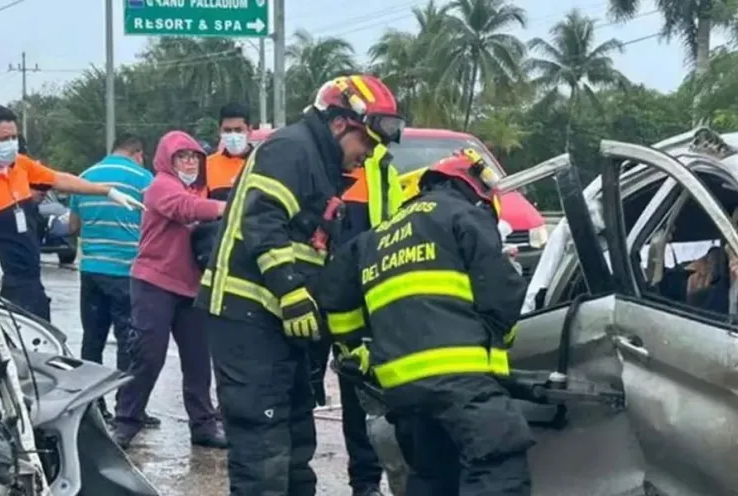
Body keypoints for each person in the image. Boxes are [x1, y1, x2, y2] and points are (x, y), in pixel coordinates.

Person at [196, 74, 404, 495]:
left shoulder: (321, 163)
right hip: (246, 317)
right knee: (263, 443)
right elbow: (262, 219)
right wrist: (290, 291)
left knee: (294, 438)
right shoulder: (293, 149)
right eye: (365, 143)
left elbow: (315, 251)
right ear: (342, 124)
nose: (366, 157)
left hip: (275, 323)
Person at [314, 148, 535, 496]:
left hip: (402, 390)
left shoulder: (377, 235)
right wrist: (501, 342)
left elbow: (336, 296)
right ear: (475, 190)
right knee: (497, 462)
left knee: (432, 476)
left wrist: (353, 351)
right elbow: (502, 292)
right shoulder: (463, 215)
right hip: (461, 381)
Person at [0, 104, 144, 322]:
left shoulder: (20, 166)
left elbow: (59, 179)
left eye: (14, 138)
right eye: (4, 139)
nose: (11, 144)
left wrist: (106, 191)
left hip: (30, 280)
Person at [111, 130, 228, 450]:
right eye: (182, 156)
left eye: (194, 157)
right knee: (148, 355)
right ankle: (126, 421)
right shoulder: (162, 185)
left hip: (190, 287)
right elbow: (185, 208)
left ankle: (203, 425)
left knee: (197, 360)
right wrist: (228, 208)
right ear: (166, 159)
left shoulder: (193, 189)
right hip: (154, 282)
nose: (189, 162)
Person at [307, 143, 405, 496]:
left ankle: (365, 483)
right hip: (309, 293)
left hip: (361, 297)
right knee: (301, 388)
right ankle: (295, 478)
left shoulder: (383, 172)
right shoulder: (314, 163)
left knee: (358, 389)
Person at [68, 134, 158, 423]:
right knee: (127, 342)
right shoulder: (144, 179)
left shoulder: (85, 177)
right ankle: (127, 409)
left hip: (92, 271)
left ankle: (91, 407)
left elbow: (73, 226)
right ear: (137, 153)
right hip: (126, 273)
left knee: (92, 340)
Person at [206, 102, 254, 201]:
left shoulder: (263, 163)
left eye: (238, 130)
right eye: (227, 130)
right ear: (220, 131)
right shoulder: (207, 165)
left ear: (249, 130)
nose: (233, 136)